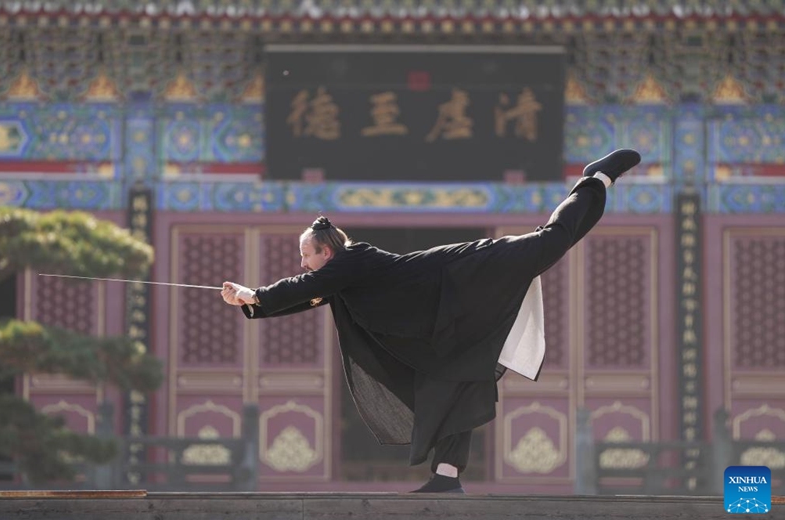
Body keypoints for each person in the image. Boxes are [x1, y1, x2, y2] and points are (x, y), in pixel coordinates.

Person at [221, 148, 641, 493]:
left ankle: (595, 180)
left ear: (325, 253)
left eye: (306, 255)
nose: (302, 262)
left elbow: (299, 287)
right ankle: (447, 476)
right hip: (450, 318)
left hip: (470, 272)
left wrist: (256, 294)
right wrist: (250, 303)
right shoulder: (341, 278)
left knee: (550, 240)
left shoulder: (354, 259)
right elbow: (306, 296)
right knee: (452, 384)